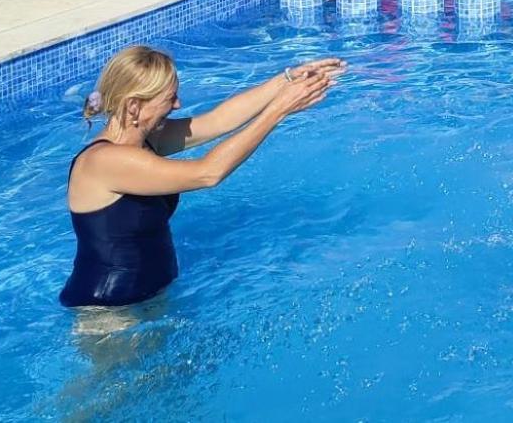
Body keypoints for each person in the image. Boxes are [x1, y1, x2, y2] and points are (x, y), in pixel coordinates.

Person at [60, 44, 344, 308]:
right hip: (109, 313)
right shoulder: (104, 161)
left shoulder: (146, 140)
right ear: (134, 106)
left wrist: (286, 81)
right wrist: (279, 110)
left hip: (147, 298)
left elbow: (218, 121)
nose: (178, 105)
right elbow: (208, 173)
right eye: (169, 98)